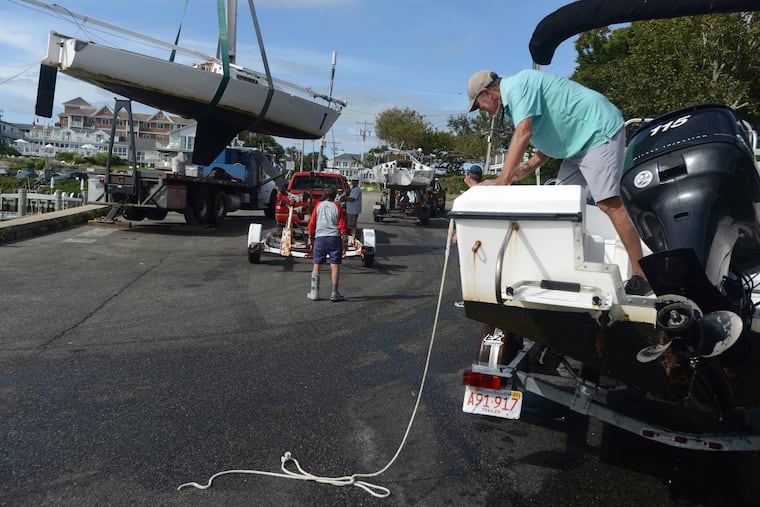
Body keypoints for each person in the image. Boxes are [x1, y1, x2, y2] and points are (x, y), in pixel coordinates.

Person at [466, 69, 651, 295]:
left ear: (487, 93)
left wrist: (503, 180)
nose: (481, 111)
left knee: (608, 203)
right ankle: (568, 272)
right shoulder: (514, 105)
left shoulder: (518, 86)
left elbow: (523, 133)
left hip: (597, 130)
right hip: (575, 146)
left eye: (478, 105)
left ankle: (642, 274)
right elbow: (549, 138)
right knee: (562, 206)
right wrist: (526, 169)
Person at [307, 184, 348, 302]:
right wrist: (344, 242)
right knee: (334, 265)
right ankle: (335, 292)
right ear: (335, 196)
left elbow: (312, 223)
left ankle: (314, 293)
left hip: (320, 238)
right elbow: (342, 226)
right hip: (334, 239)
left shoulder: (318, 206)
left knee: (317, 265)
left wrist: (310, 237)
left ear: (325, 194)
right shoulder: (337, 207)